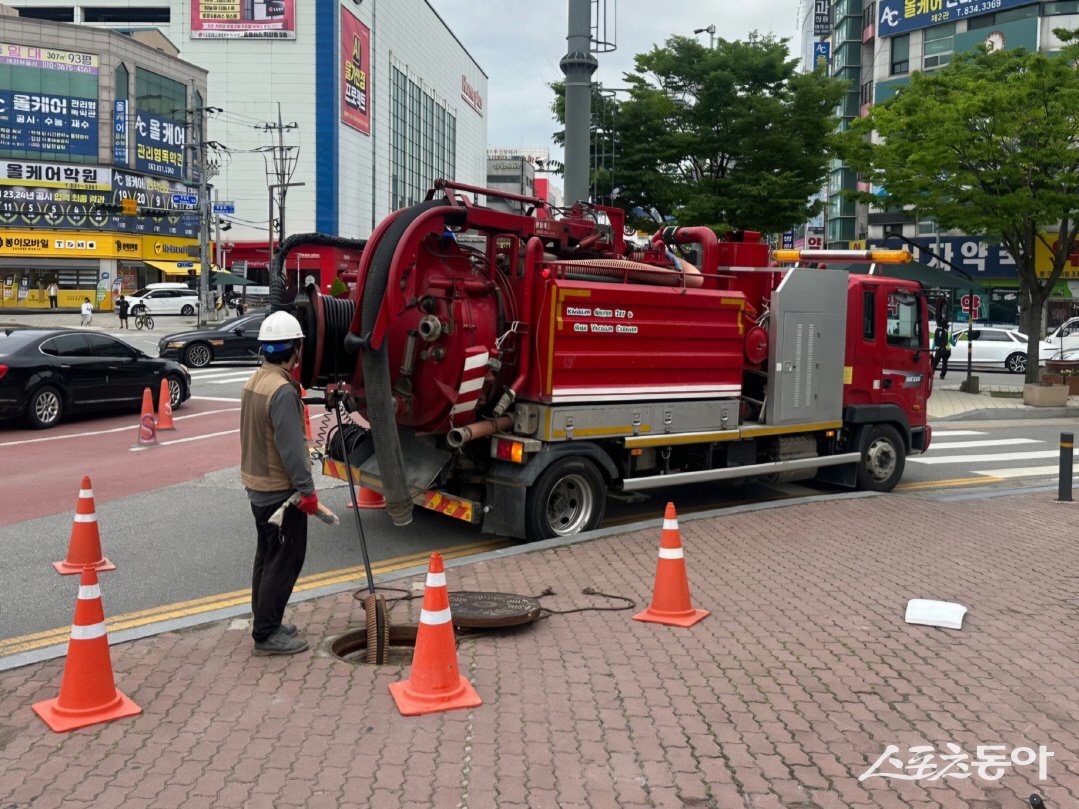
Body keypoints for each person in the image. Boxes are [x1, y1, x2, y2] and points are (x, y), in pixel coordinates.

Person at [240, 311, 316, 656]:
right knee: (285, 561)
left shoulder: (255, 381)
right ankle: (266, 634)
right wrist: (306, 490)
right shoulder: (283, 391)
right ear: (295, 350)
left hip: (257, 486)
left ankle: (265, 620)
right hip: (279, 491)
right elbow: (292, 448)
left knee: (266, 557)